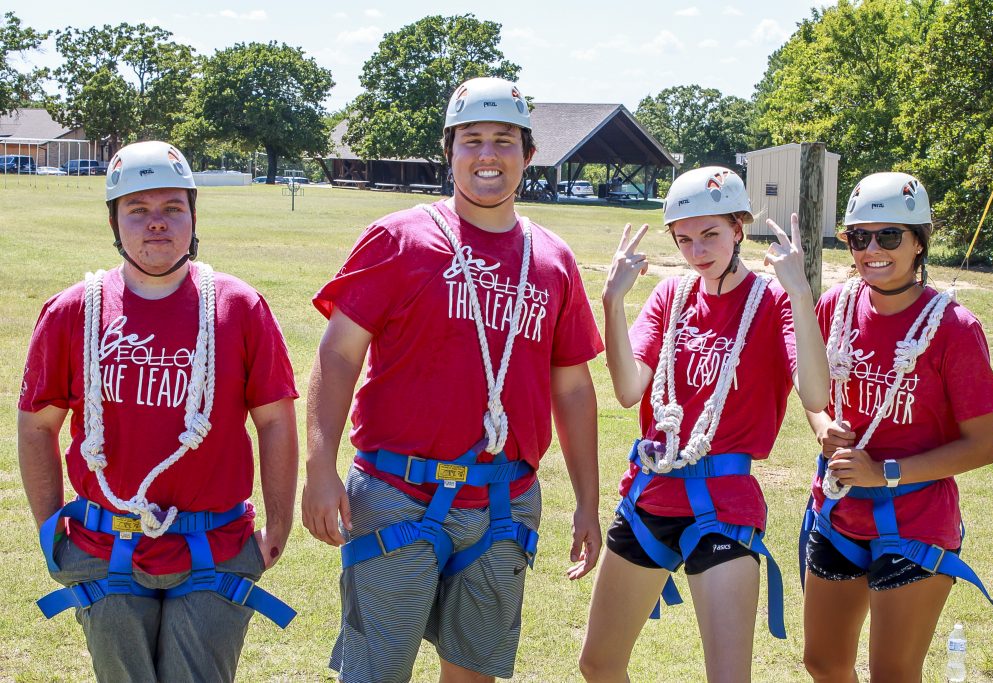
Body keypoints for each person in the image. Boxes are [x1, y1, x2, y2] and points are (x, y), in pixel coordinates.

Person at [302, 76, 604, 683]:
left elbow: (572, 389)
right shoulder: (399, 238)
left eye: (503, 140)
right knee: (374, 673)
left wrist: (589, 501)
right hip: (396, 491)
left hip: (502, 500)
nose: (487, 155)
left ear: (528, 153)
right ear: (449, 150)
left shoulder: (551, 259)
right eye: (471, 140)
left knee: (473, 672)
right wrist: (319, 467)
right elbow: (337, 357)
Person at [18, 140, 299, 682]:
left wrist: (280, 519)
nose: (156, 224)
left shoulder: (238, 306)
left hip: (214, 545)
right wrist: (50, 524)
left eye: (173, 208)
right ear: (113, 221)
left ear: (193, 215)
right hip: (106, 543)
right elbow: (38, 425)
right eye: (137, 210)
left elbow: (274, 418)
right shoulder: (73, 310)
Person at [579, 166, 829, 683]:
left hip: (723, 505)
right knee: (598, 664)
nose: (698, 251)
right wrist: (612, 300)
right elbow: (628, 391)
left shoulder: (773, 300)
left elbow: (817, 393)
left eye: (711, 234)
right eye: (685, 239)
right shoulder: (672, 296)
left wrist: (800, 294)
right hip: (651, 496)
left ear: (740, 228)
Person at [801, 172, 993, 681]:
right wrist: (823, 425)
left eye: (889, 235)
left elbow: (983, 446)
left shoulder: (955, 328)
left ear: (920, 242)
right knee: (824, 663)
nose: (872, 249)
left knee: (892, 673)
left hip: (916, 524)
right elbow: (814, 394)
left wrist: (886, 472)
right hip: (839, 513)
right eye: (858, 237)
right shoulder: (837, 304)